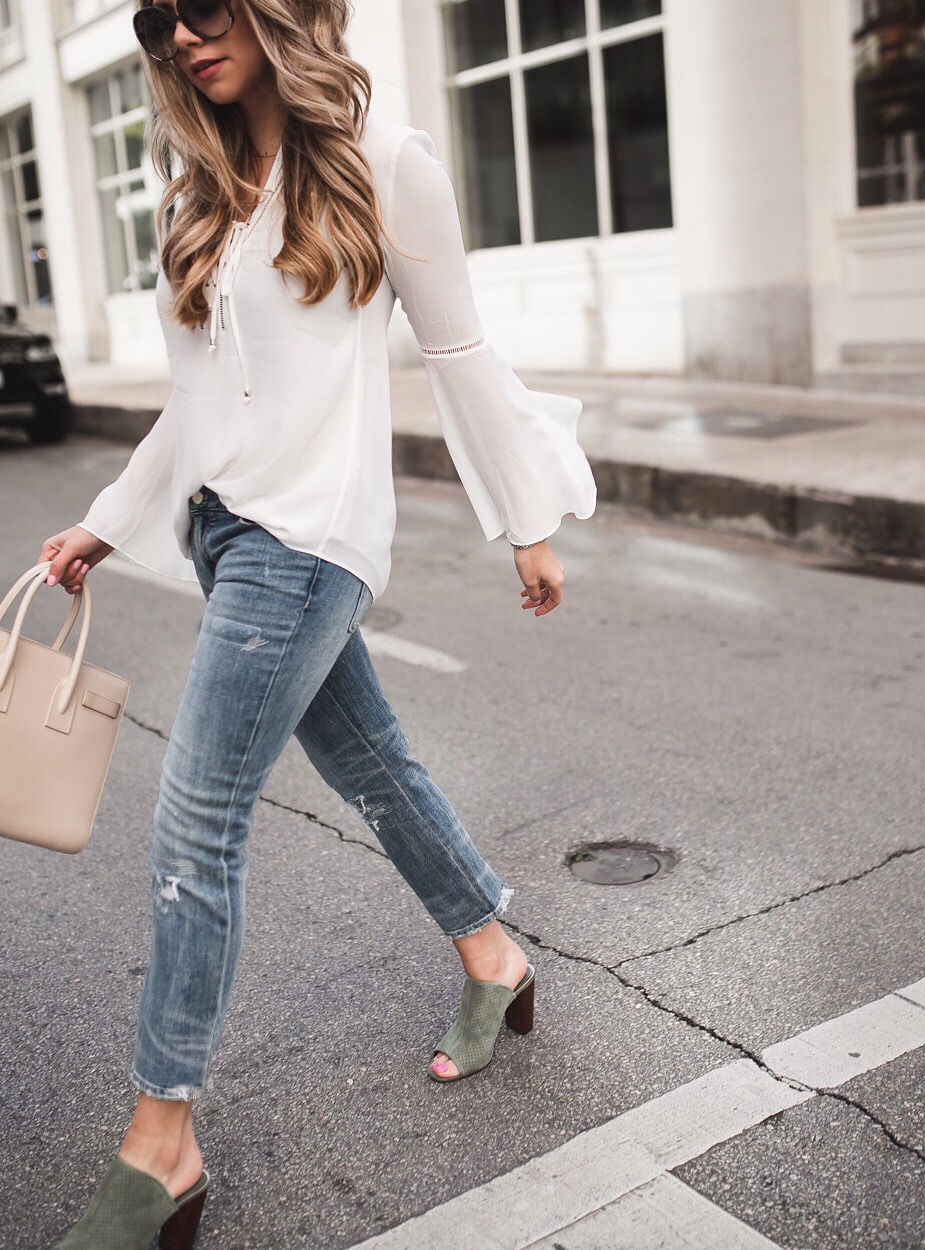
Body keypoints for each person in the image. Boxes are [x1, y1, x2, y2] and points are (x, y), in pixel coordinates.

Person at [42, 2, 595, 1246]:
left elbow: (459, 350)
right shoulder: (198, 192)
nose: (181, 33)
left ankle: (161, 1138)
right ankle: (493, 953)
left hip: (309, 542)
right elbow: (189, 414)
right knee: (375, 766)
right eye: (152, 18)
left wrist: (526, 516)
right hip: (226, 534)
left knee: (194, 817)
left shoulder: (383, 161)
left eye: (204, 4)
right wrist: (102, 521)